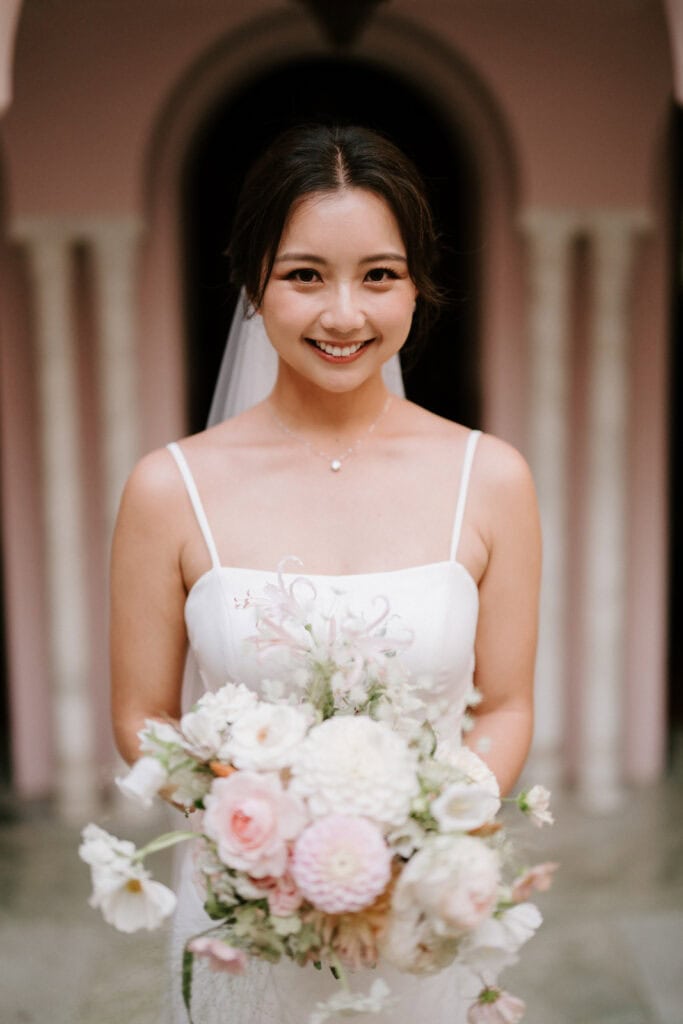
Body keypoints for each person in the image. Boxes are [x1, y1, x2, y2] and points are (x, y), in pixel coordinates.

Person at [110, 124, 541, 1024]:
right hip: (242, 914)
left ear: (416, 285)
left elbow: (503, 704)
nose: (343, 315)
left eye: (378, 275)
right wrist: (271, 841)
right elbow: (141, 716)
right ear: (251, 284)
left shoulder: (491, 476)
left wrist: (421, 834)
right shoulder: (167, 487)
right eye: (305, 275)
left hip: (418, 913)